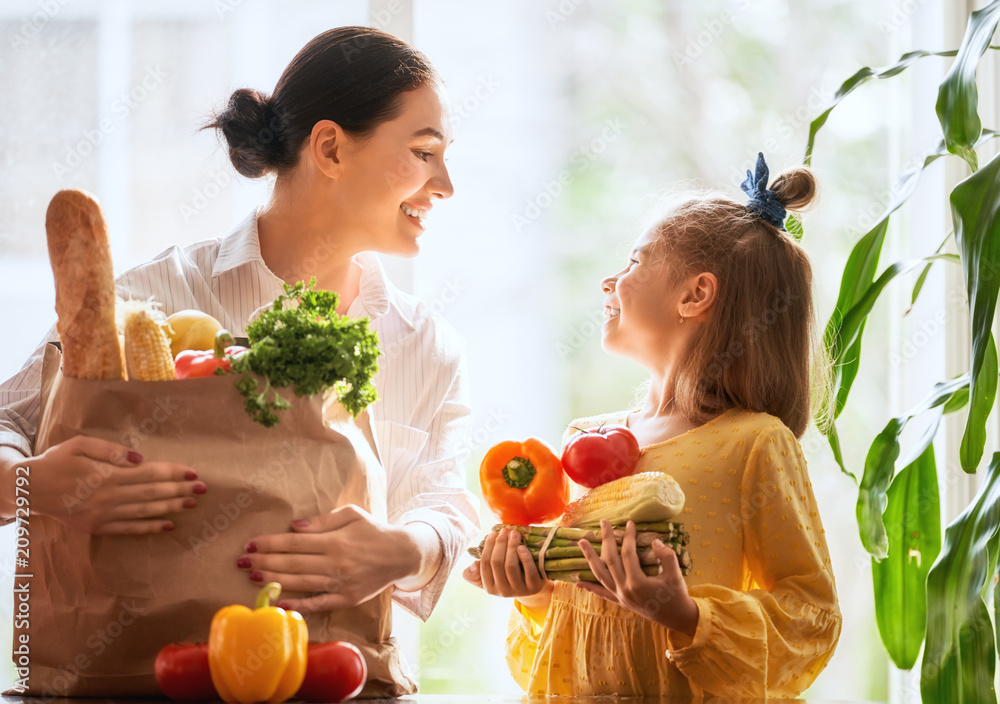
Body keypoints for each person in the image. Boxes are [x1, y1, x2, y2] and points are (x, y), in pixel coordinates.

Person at [0, 25, 478, 630]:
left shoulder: (427, 346)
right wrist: (29, 484)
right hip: (139, 682)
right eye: (423, 152)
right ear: (329, 148)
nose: (446, 185)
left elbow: (445, 501)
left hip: (343, 682)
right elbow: (7, 420)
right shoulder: (154, 297)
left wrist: (407, 549)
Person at [463, 153, 842, 698]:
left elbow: (812, 617)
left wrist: (686, 615)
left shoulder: (755, 442)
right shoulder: (582, 439)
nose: (607, 281)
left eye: (635, 262)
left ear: (695, 295)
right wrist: (534, 595)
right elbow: (566, 648)